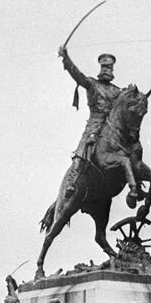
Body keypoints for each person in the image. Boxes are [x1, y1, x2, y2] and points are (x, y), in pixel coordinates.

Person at [57, 48, 122, 199]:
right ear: (101, 68)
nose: (107, 70)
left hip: (110, 127)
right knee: (84, 146)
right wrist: (66, 58)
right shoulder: (92, 84)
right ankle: (72, 180)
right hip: (94, 124)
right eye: (105, 67)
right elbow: (77, 75)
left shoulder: (117, 91)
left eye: (109, 67)